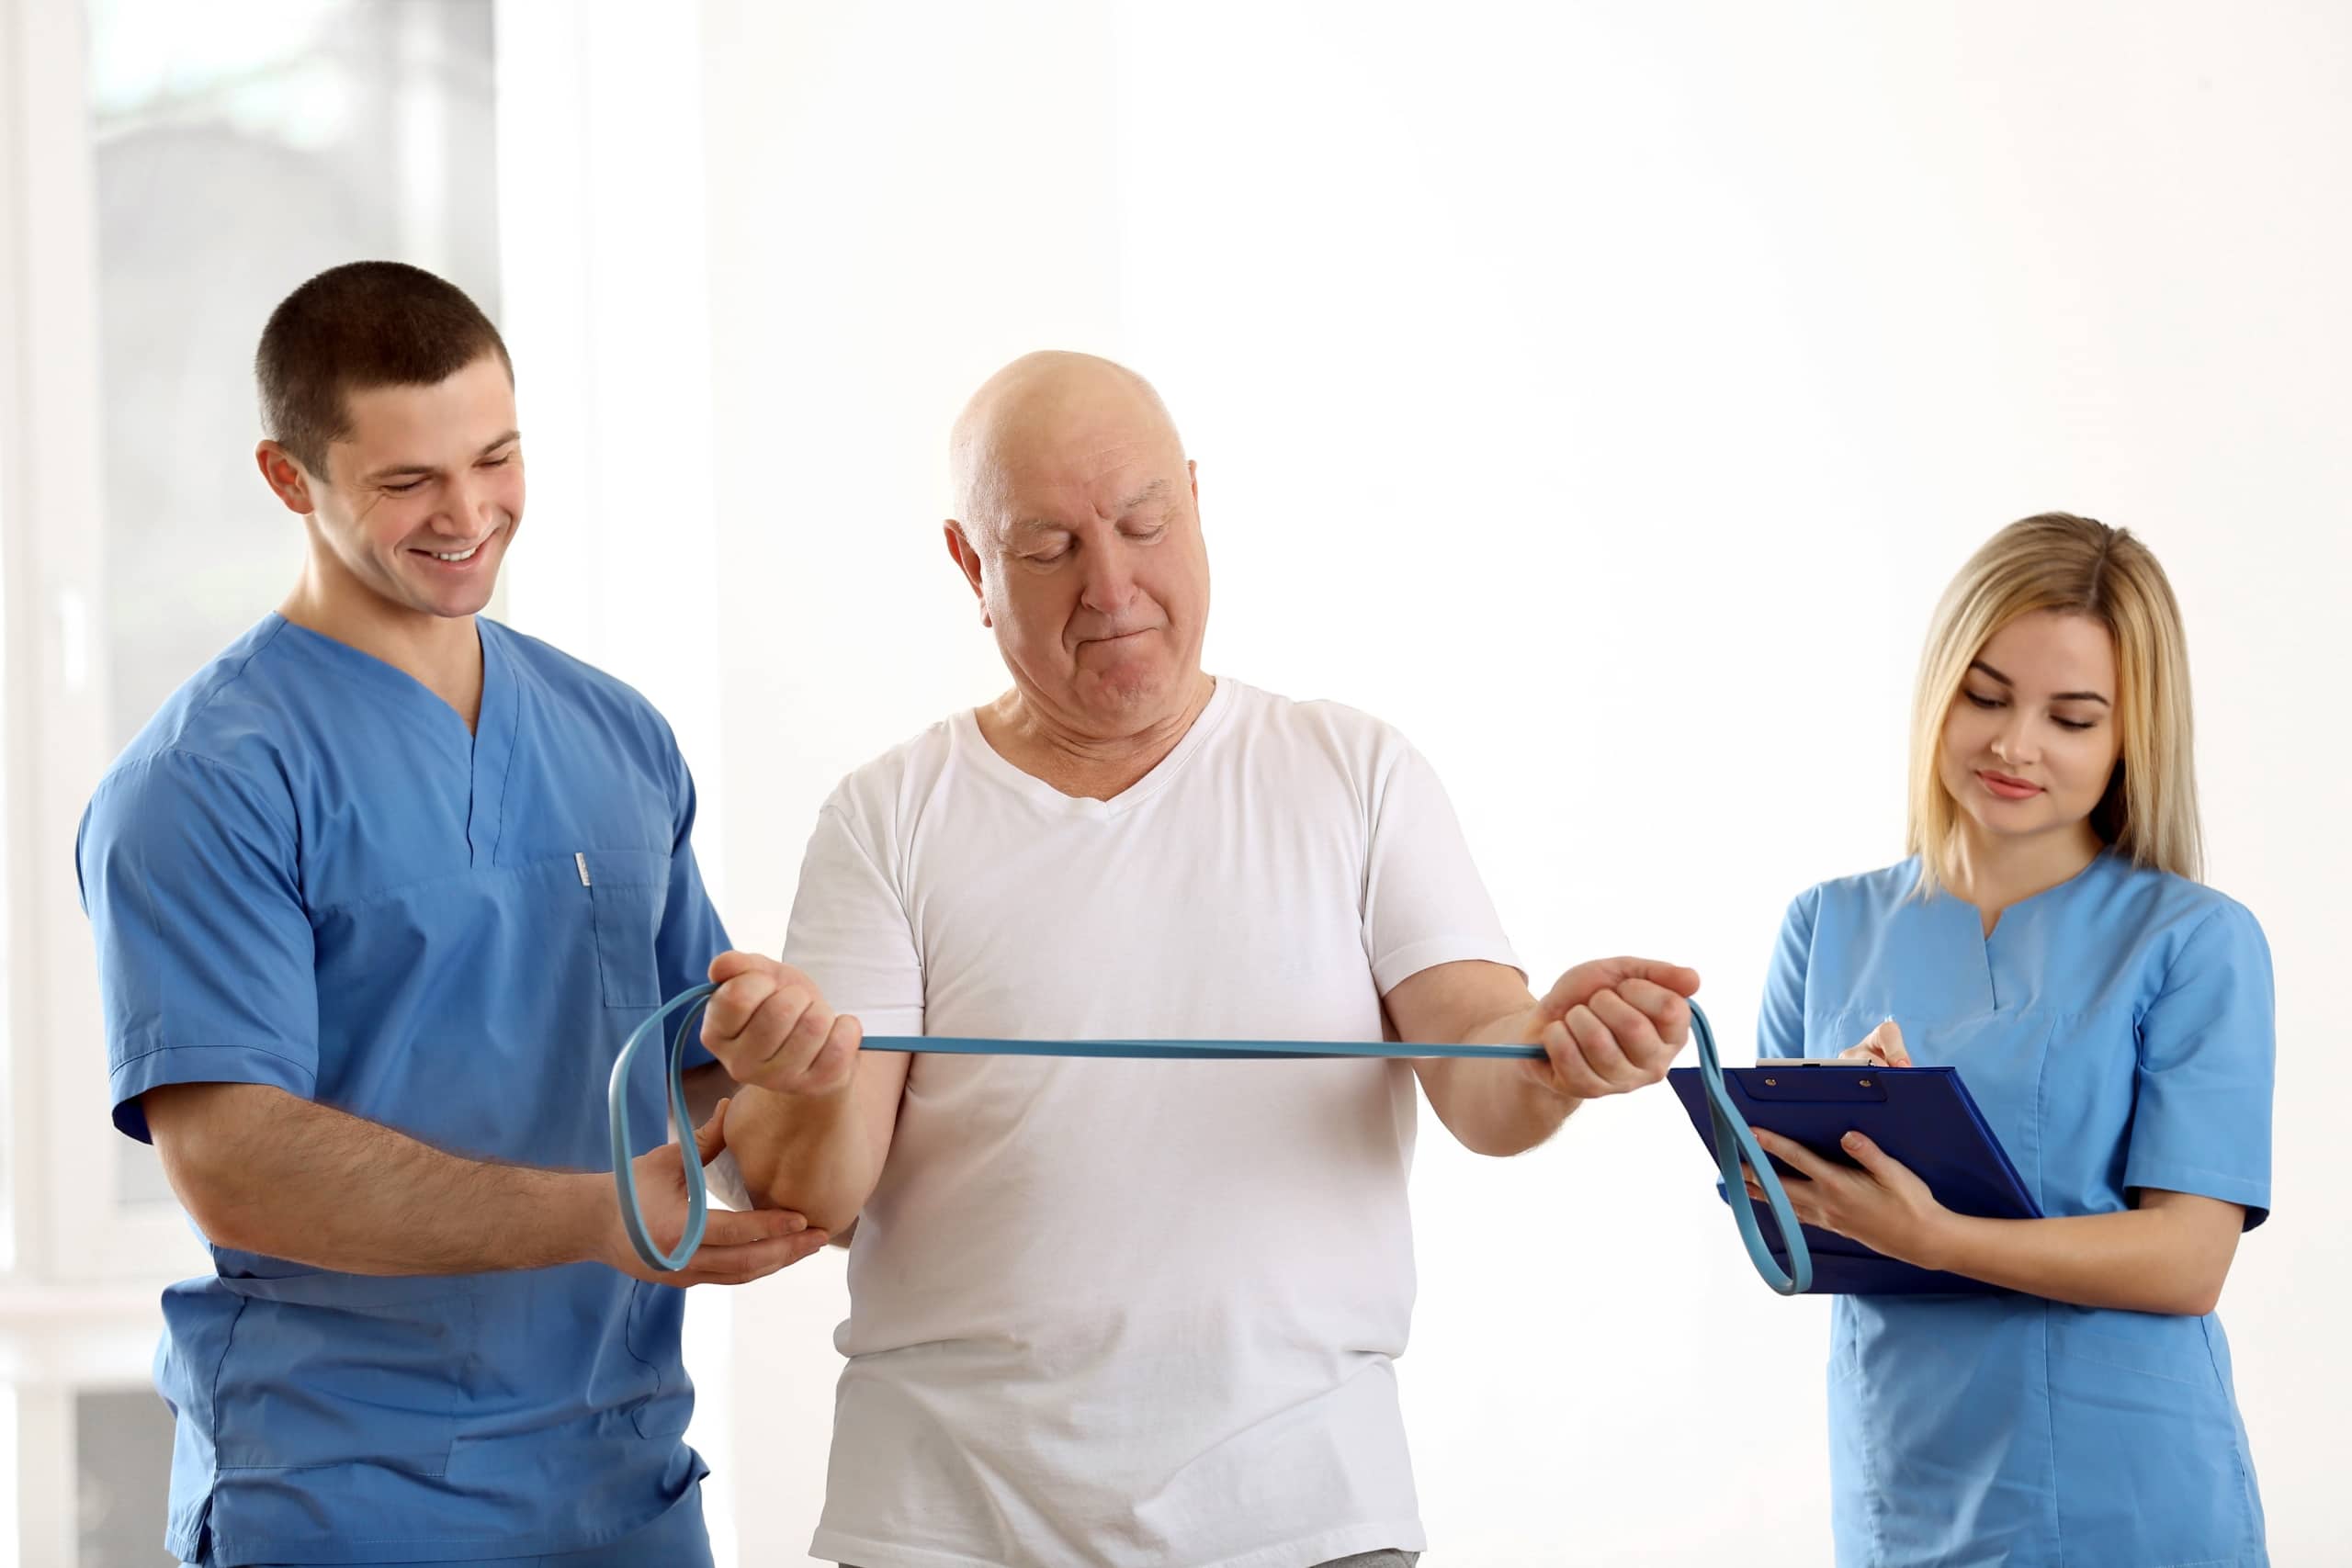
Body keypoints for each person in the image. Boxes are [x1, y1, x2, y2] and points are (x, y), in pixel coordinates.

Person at [697, 351, 1702, 1568]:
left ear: (1195, 500)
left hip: (1305, 1510)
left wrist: (1560, 1050)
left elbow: (1484, 1064)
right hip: (947, 1518)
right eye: (1049, 546)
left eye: (1142, 522)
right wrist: (793, 1071)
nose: (1112, 584)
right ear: (971, 563)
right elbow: (820, 1186)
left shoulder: (1352, 771)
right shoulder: (886, 815)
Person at [76, 261, 830, 1567]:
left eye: (496, 456)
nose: (469, 513)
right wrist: (602, 1210)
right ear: (286, 477)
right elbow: (235, 1161)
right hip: (346, 1494)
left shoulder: (614, 735)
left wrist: (780, 1056)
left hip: (625, 1482)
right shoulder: (203, 781)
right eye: (408, 480)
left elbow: (699, 1078)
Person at [1746, 513, 2272, 1567]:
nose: (2012, 744)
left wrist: (1936, 1237)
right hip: (1905, 1478)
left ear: (2131, 738)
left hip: (2128, 1486)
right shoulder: (1827, 926)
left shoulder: (2191, 941)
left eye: (2070, 718)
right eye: (1984, 697)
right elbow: (1774, 1240)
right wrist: (1824, 1135)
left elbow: (2188, 1258)